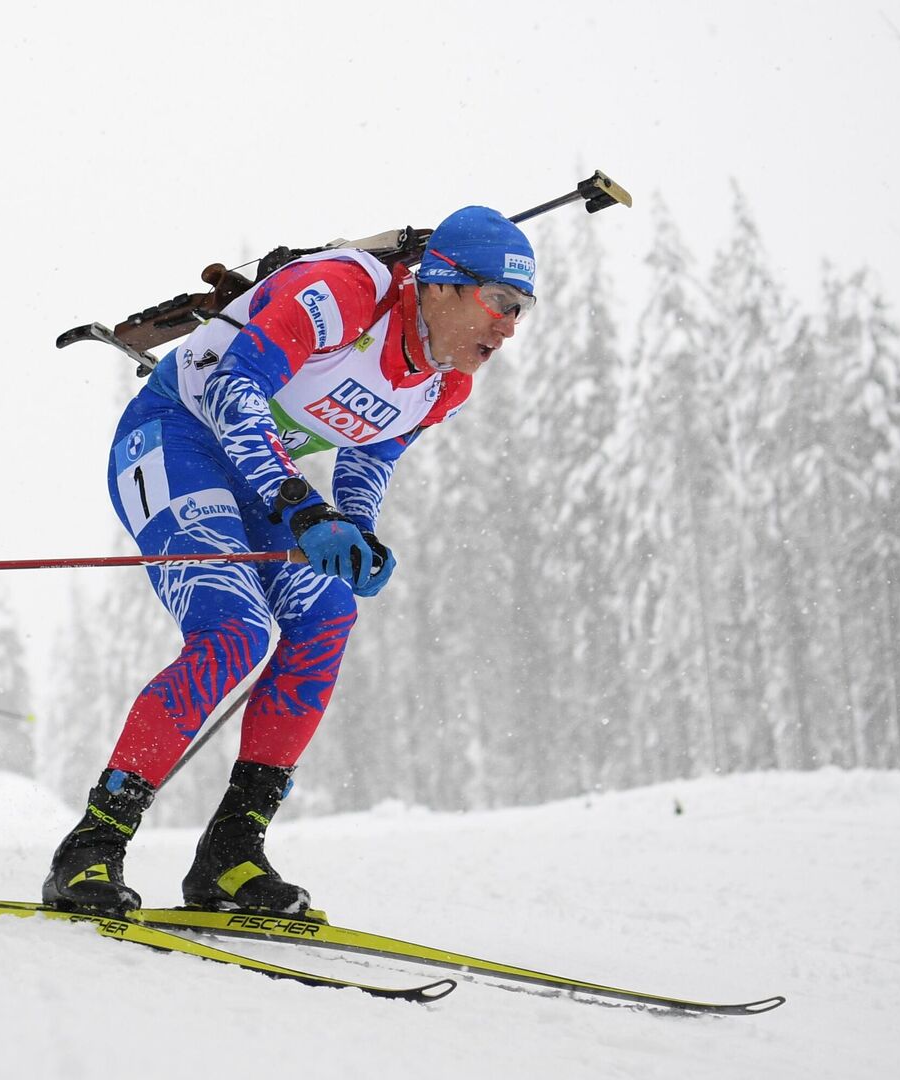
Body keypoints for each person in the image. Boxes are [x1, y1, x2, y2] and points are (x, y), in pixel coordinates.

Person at [42, 206, 536, 915]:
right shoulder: (344, 292)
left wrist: (354, 531)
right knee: (234, 631)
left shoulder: (447, 381)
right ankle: (93, 846)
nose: (510, 326)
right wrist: (306, 509)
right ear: (441, 285)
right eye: (500, 302)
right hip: (174, 435)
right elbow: (233, 388)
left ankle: (231, 852)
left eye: (523, 310)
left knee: (328, 614)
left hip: (265, 473)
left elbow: (374, 452)